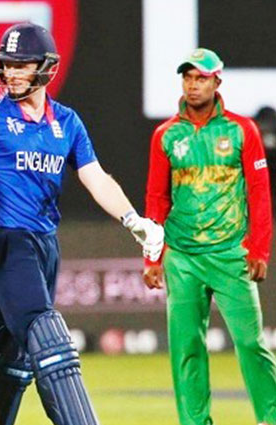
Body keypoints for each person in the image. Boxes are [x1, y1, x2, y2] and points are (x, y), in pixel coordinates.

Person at [0, 22, 163, 425]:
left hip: (46, 246)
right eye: (6, 64)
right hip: (5, 245)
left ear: (46, 67)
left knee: (13, 363)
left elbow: (96, 178)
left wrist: (133, 220)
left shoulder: (67, 123)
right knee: (48, 337)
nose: (10, 73)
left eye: (21, 65)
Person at [143, 48, 276, 425]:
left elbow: (259, 193)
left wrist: (259, 248)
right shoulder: (166, 135)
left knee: (250, 343)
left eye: (200, 78)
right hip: (182, 257)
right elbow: (157, 199)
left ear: (217, 81)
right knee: (186, 349)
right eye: (187, 77)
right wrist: (152, 256)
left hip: (231, 254)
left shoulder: (241, 130)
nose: (193, 85)